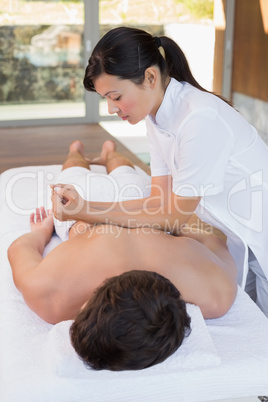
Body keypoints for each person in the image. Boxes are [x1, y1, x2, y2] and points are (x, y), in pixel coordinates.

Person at [51, 27, 268, 316]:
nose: (112, 108)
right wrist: (85, 208)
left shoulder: (199, 119)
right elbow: (158, 202)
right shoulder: (156, 119)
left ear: (150, 77)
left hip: (257, 235)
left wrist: (86, 210)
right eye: (107, 99)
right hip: (232, 236)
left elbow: (172, 216)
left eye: (115, 96)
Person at [8, 141, 237, 371]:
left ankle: (90, 152)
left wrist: (174, 222)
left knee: (119, 172)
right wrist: (40, 235)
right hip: (127, 207)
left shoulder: (215, 294)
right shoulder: (48, 296)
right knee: (85, 171)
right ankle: (94, 152)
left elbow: (214, 239)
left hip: (136, 205)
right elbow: (20, 249)